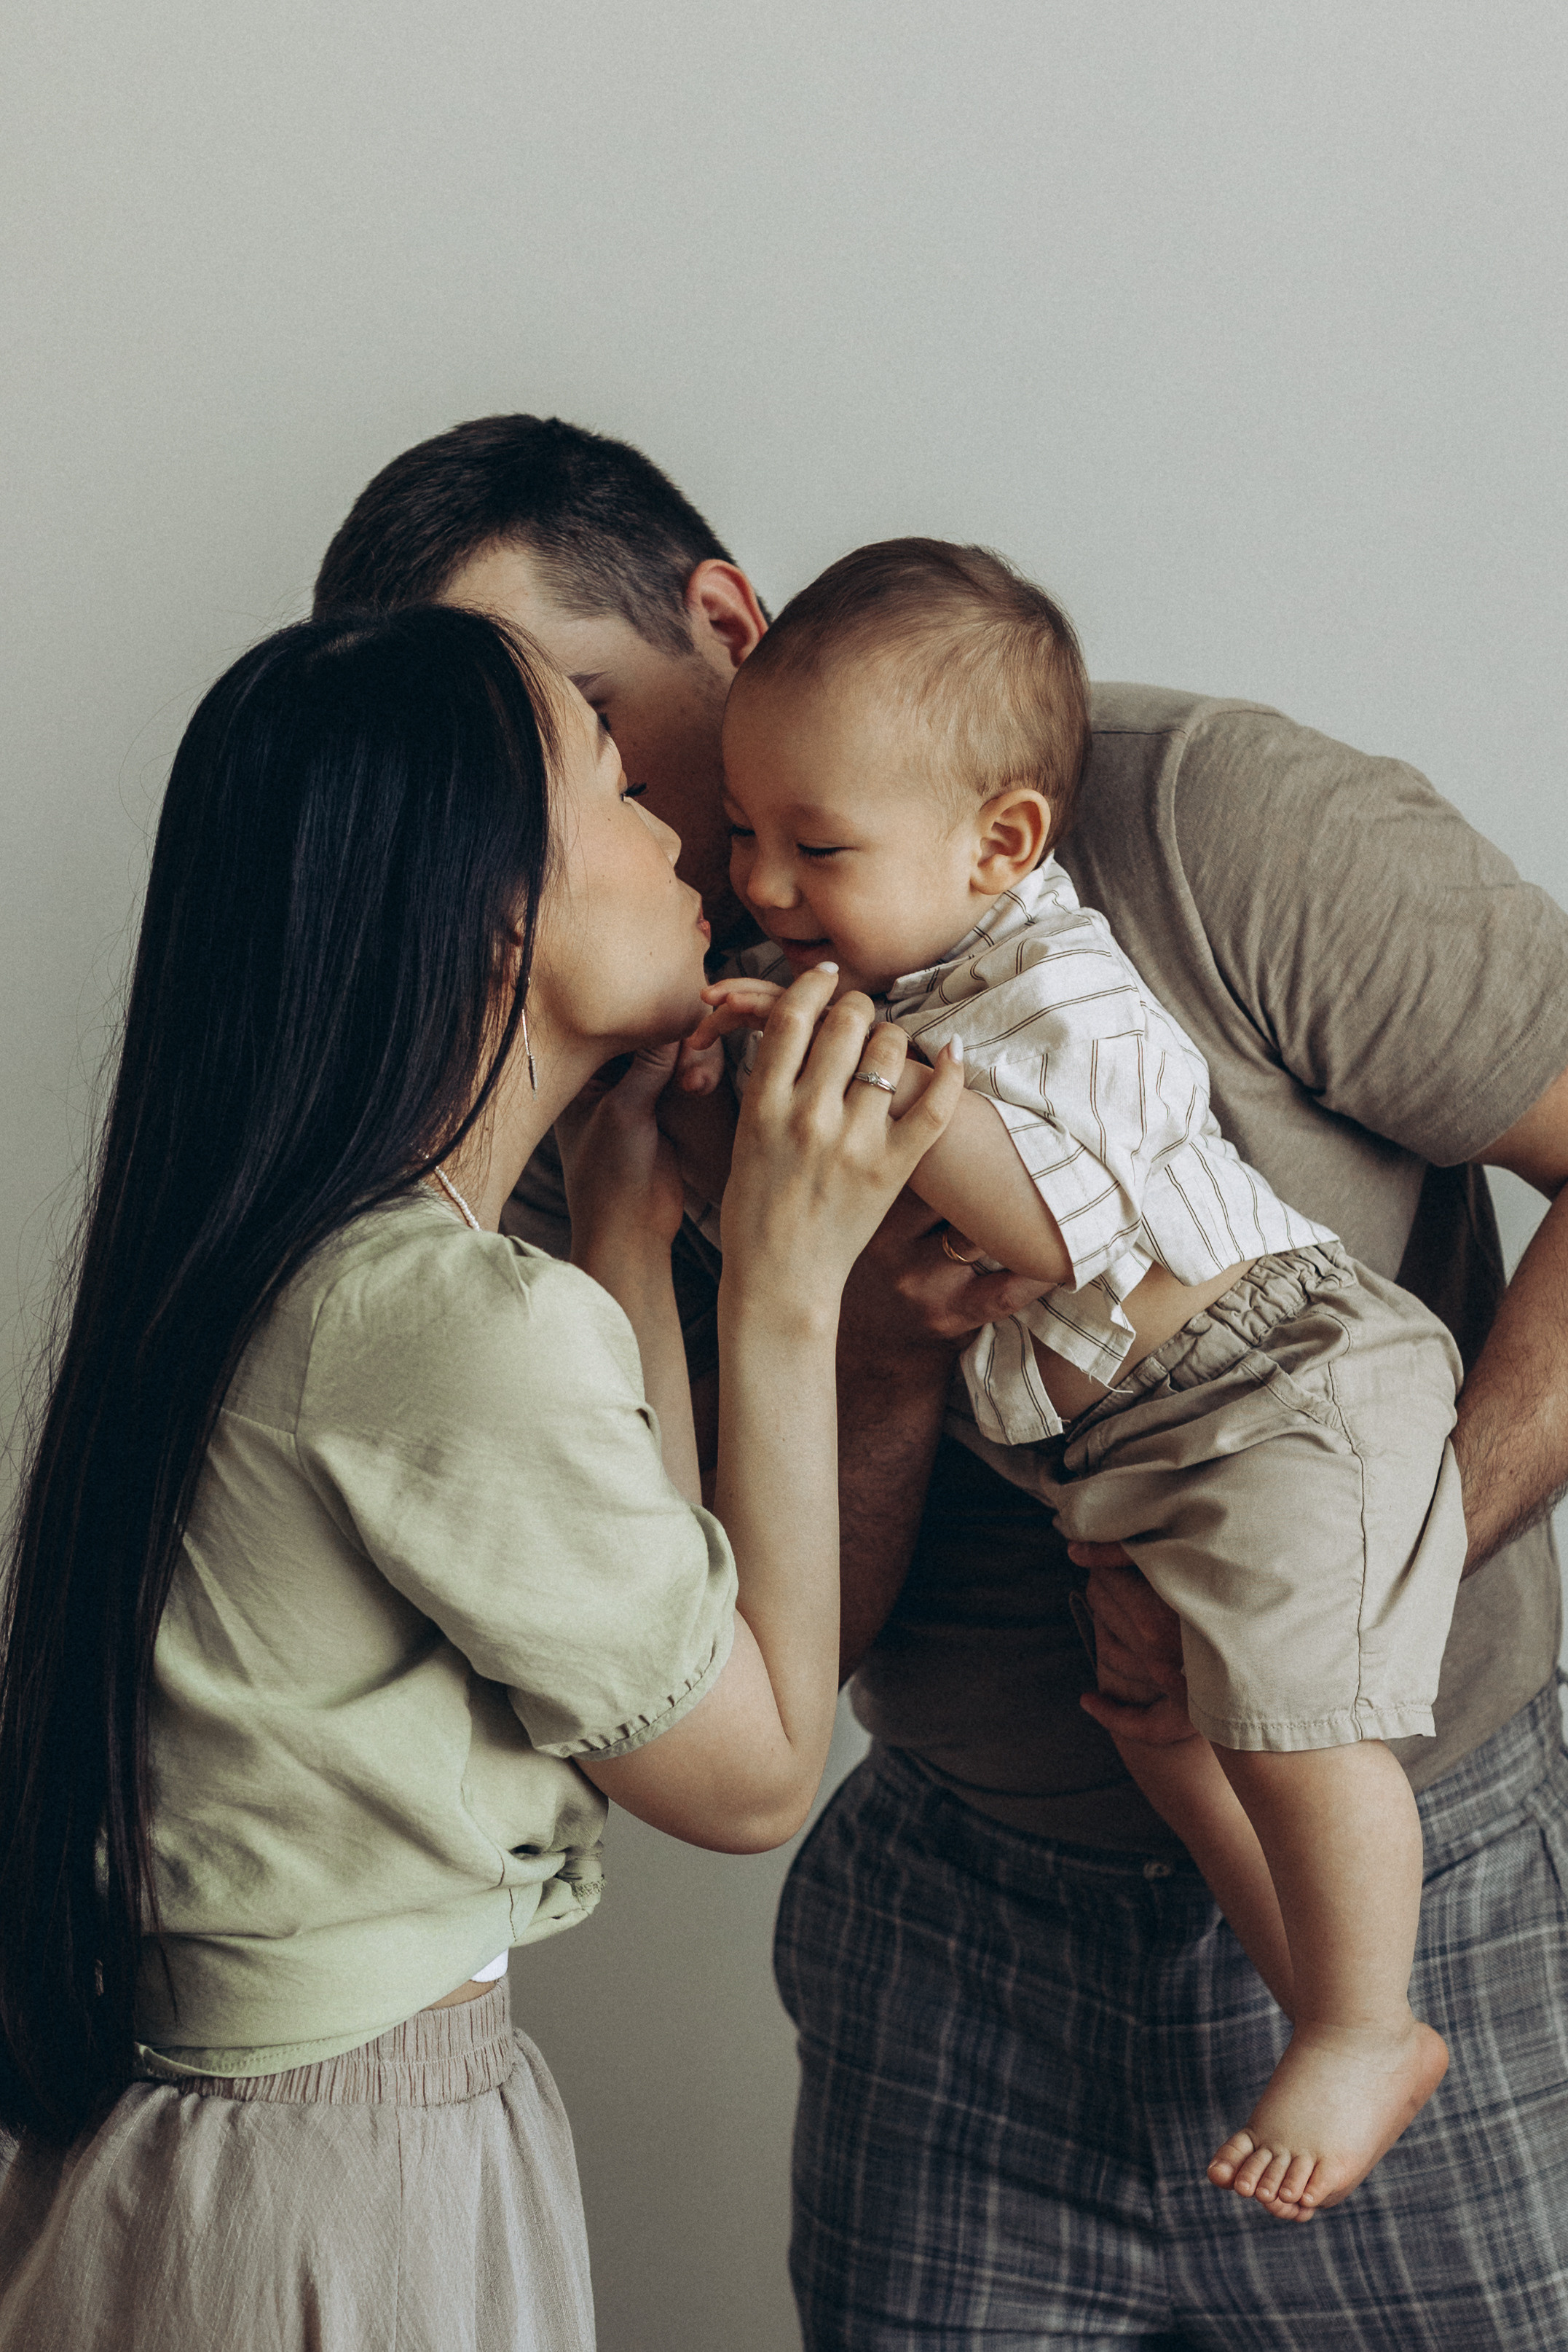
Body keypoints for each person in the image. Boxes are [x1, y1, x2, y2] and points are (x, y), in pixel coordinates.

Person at [311, 416, 1568, 2347]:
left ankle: (1353, 2002)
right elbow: (738, 1668)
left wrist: (1345, 1587)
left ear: (726, 622)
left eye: (583, 725)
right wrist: (872, 1345)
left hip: (1435, 1857)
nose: (560, 827)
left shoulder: (1208, 826)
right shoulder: (593, 1069)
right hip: (961, 1932)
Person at [0, 603, 961, 2350]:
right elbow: (753, 1770)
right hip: (333, 2182)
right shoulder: (435, 1318)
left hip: (271, 2145)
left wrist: (628, 1215)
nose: (682, 839)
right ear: (497, 902)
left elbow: (658, 1605)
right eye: (616, 782)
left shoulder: (321, 1268)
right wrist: (787, 1280)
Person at [687, 533, 1467, 2219]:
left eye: (816, 848)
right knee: (1167, 1737)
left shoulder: (1056, 986)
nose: (764, 889)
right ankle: (1331, 2004)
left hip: (1281, 1380)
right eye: (744, 835)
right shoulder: (906, 983)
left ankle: (1367, 2013)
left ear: (1002, 844)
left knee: (1297, 1712)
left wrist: (858, 1068)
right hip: (1141, 1451)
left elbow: (1048, 1225)